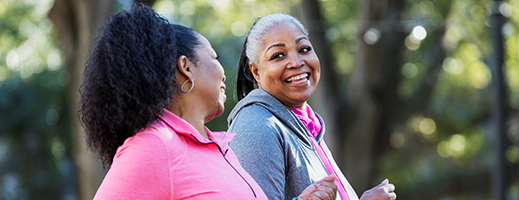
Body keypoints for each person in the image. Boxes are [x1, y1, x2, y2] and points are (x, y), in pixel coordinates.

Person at [79, 4, 337, 199]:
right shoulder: (154, 146)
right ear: (186, 68)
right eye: (213, 57)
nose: (223, 71)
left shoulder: (219, 147)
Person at [228, 14, 397, 200]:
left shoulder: (307, 127)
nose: (297, 62)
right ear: (256, 71)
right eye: (278, 55)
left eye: (304, 49)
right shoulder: (256, 126)